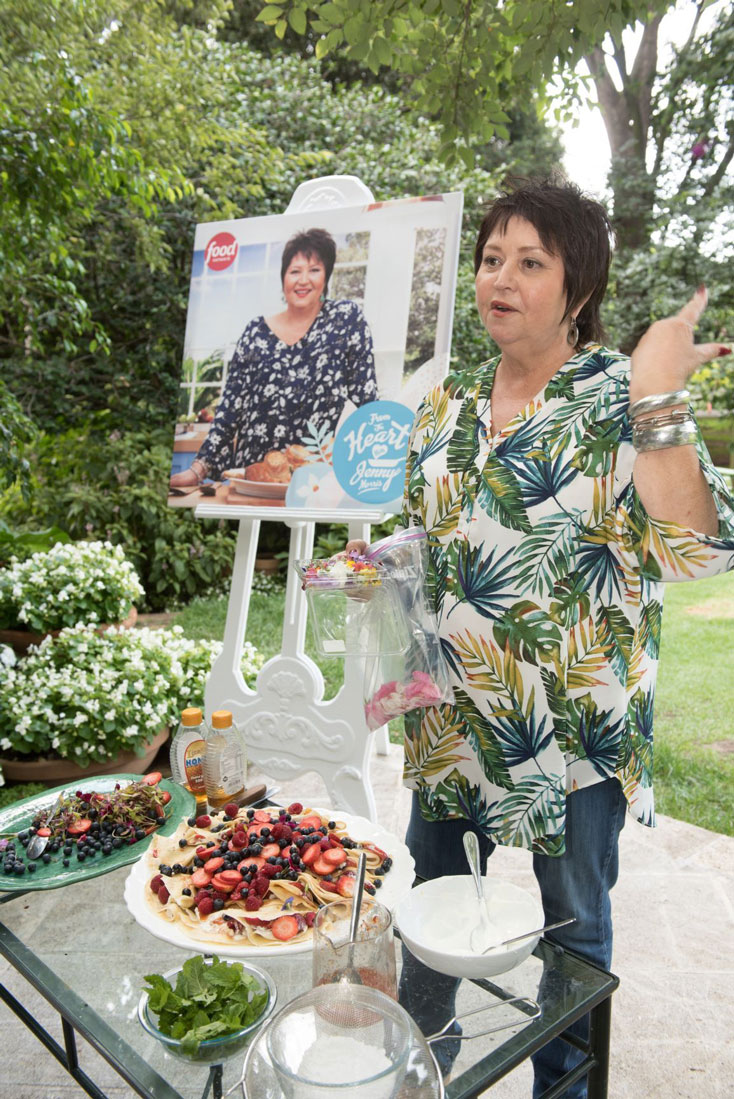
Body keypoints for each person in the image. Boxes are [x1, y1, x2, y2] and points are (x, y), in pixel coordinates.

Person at [348, 178, 734, 1097]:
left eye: (530, 262)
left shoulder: (615, 396)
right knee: (432, 906)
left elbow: (697, 546)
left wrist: (659, 395)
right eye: (492, 259)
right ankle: (426, 1068)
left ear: (578, 286)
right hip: (450, 723)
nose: (501, 278)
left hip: (572, 733)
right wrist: (380, 583)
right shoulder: (444, 406)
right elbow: (429, 543)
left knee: (572, 928)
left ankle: (565, 1086)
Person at [170, 227, 378, 488]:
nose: (303, 280)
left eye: (314, 270)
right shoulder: (255, 332)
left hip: (318, 482)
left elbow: (366, 401)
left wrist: (374, 465)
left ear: (326, 276)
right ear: (283, 278)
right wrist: (198, 469)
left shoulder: (346, 319)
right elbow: (229, 409)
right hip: (253, 479)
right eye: (295, 271)